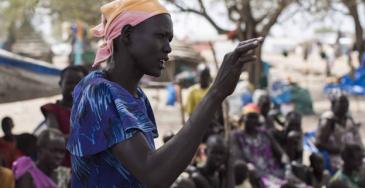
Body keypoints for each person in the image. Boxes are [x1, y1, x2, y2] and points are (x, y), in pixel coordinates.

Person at [66, 0, 262, 187]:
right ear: (126, 35)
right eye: (160, 36)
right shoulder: (96, 91)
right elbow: (155, 175)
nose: (168, 48)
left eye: (169, 39)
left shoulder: (136, 96)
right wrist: (215, 93)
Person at [232, 104, 286, 182]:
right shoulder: (236, 136)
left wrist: (287, 167)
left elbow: (281, 153)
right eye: (250, 116)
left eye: (255, 117)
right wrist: (248, 167)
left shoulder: (264, 133)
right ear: (243, 118)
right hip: (257, 176)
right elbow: (238, 158)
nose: (252, 120)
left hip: (275, 171)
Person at [315, 94, 364, 173]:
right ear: (334, 104)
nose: (344, 105)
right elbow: (319, 143)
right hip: (334, 156)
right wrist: (340, 150)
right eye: (341, 102)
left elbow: (357, 139)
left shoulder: (348, 119)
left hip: (351, 155)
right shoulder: (328, 120)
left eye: (346, 103)